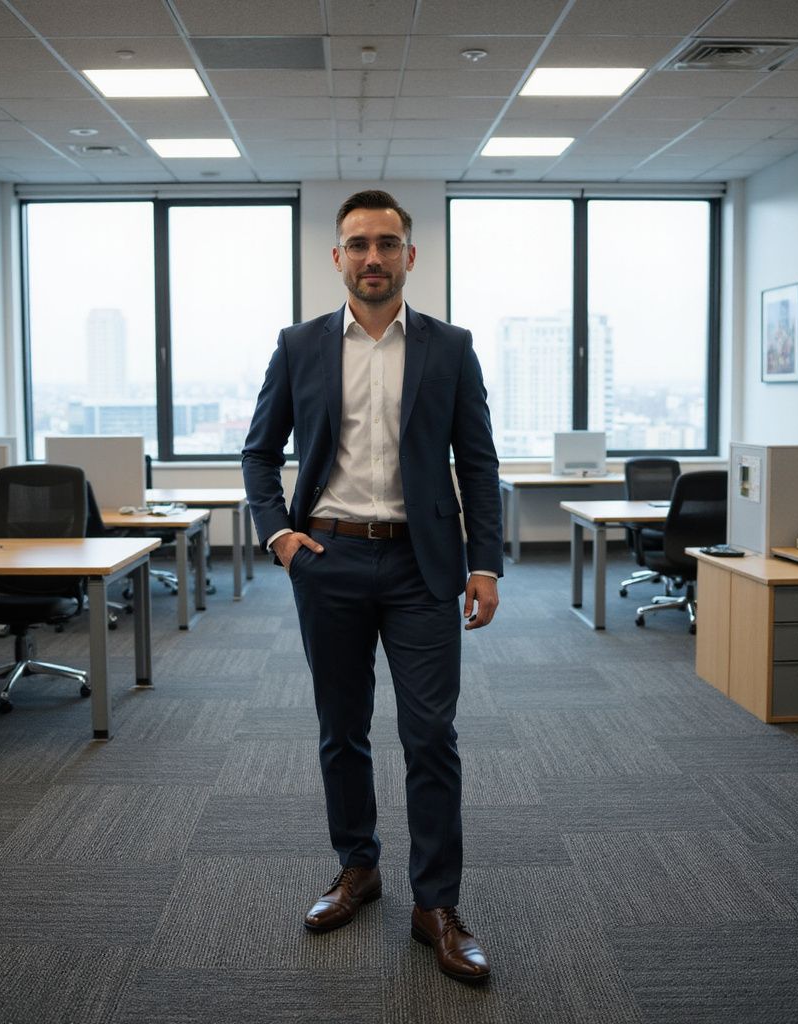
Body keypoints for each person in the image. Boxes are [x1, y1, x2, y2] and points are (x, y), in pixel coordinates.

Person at [242, 189, 503, 984]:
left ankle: (437, 904)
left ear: (410, 256)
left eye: (388, 244)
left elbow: (478, 464)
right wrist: (282, 536)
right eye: (358, 244)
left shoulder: (450, 348)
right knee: (341, 727)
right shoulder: (299, 346)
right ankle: (358, 868)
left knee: (430, 735)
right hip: (332, 561)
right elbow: (259, 452)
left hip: (425, 565)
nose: (373, 258)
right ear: (337, 257)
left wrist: (484, 562)